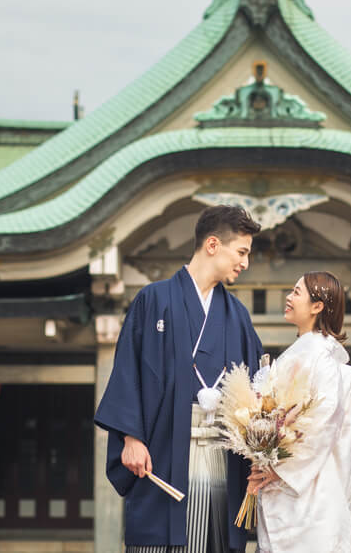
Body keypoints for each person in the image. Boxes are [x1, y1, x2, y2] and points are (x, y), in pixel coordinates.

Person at [94, 205, 264, 553]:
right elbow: (129, 370)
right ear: (213, 244)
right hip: (164, 451)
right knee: (161, 539)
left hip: (220, 456)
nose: (245, 263)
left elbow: (255, 389)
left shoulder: (238, 317)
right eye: (241, 252)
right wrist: (131, 437)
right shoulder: (153, 300)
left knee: (216, 537)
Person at [248, 271, 351, 553]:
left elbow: (324, 420)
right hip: (292, 487)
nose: (288, 297)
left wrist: (279, 469)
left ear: (317, 306)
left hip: (308, 492)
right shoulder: (304, 351)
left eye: (296, 292)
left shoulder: (320, 356)